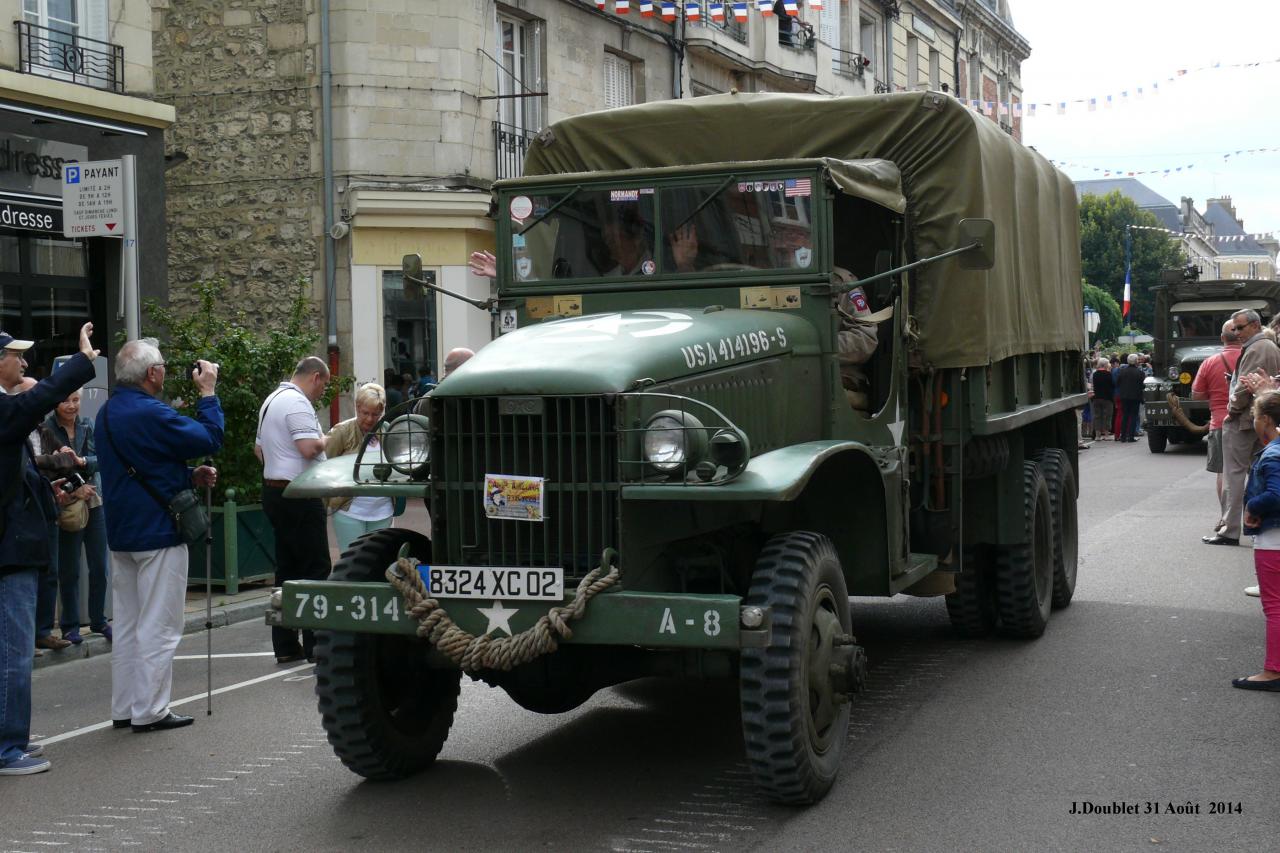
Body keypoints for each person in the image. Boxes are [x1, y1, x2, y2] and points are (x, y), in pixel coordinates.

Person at [97, 339, 222, 733]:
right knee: (160, 624)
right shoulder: (151, 411)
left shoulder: (107, 412)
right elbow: (210, 438)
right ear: (152, 374)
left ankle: (125, 706)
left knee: (130, 624)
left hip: (123, 531)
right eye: (163, 366)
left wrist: (185, 476)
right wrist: (208, 392)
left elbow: (140, 464)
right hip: (158, 530)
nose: (166, 371)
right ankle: (150, 709)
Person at [0, 323, 98, 775]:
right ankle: (6, 748)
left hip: (13, 545)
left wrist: (48, 481)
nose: (23, 362)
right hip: (9, 550)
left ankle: (11, 738)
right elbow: (39, 399)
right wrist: (81, 363)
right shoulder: (5, 409)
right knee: (13, 652)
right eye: (15, 355)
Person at [256, 356, 332, 664]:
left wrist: (278, 466)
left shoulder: (271, 400)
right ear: (315, 377)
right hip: (301, 493)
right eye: (324, 386)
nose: (322, 393)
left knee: (287, 569)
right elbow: (308, 448)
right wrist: (330, 437)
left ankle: (286, 645)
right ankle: (316, 644)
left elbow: (258, 449)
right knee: (315, 568)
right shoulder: (298, 404)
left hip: (275, 490)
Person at [43, 388, 112, 645]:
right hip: (68, 503)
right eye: (65, 400)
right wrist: (77, 487)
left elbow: (100, 458)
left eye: (76, 400)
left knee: (99, 566)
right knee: (69, 570)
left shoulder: (87, 424)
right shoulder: (48, 428)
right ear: (55, 402)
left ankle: (99, 620)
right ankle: (70, 626)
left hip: (94, 501)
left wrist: (82, 461)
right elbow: (51, 466)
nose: (72, 406)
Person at [7, 377, 70, 653]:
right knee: (22, 580)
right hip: (21, 514)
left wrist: (57, 462)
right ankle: (24, 636)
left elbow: (69, 460)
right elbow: (40, 464)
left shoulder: (43, 430)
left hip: (47, 506)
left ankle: (42, 631)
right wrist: (54, 461)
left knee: (50, 571)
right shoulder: (14, 426)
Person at [1211, 309, 1280, 546]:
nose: (1236, 332)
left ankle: (1229, 529)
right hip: (1258, 417)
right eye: (1234, 328)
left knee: (1234, 475)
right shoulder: (1267, 346)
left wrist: (1232, 406)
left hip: (1245, 419)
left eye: (1240, 327)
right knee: (1257, 473)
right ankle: (1254, 523)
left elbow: (1245, 386)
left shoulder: (1259, 346)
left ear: (1254, 325)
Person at [1236, 389, 1280, 691]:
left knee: (1274, 607)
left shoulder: (1273, 455)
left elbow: (1276, 494)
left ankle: (1273, 671)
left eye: (1254, 416)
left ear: (1264, 419)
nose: (1253, 422)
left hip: (1273, 541)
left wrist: (1252, 507)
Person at [325, 382, 393, 551]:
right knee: (351, 563)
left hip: (383, 509)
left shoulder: (388, 430)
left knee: (379, 562)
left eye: (376, 414)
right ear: (357, 407)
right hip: (349, 509)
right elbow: (324, 466)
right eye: (365, 413)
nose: (370, 419)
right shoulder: (341, 431)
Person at [1192, 320, 1242, 537]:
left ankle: (1226, 518)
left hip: (1220, 421)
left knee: (1224, 473)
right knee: (1255, 471)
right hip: (1251, 421)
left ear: (1222, 338)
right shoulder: (1250, 357)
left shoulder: (1210, 362)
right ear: (1241, 337)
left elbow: (1197, 395)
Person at [1113, 353, 1146, 443]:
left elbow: (1117, 383)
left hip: (1124, 396)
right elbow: (1142, 386)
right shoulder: (1140, 373)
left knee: (1125, 416)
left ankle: (1123, 437)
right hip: (1135, 397)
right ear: (1136, 361)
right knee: (1133, 416)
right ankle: (1131, 436)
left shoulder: (1122, 371)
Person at [1090, 357, 1115, 441]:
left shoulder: (1095, 374)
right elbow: (1112, 385)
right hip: (1107, 398)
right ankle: (1106, 435)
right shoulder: (1108, 374)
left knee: (1097, 416)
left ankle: (1097, 435)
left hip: (1096, 398)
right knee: (1107, 416)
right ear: (1105, 365)